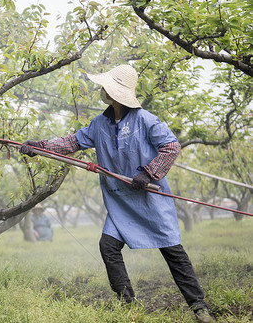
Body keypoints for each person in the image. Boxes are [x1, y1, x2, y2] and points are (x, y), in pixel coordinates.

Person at [20, 65, 213, 323]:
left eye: (106, 86)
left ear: (115, 92)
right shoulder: (99, 124)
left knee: (173, 251)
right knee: (108, 246)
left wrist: (148, 173)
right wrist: (41, 147)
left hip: (150, 198)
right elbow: (73, 142)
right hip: (120, 201)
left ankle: (199, 307)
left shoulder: (146, 120)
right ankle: (127, 303)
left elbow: (171, 146)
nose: (102, 89)